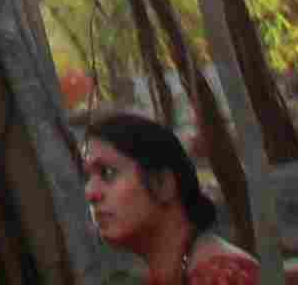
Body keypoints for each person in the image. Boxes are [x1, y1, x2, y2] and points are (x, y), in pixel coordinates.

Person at [76, 110, 263, 285]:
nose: (90, 193)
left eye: (108, 173)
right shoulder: (172, 272)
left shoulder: (223, 275)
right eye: (86, 178)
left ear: (163, 183)